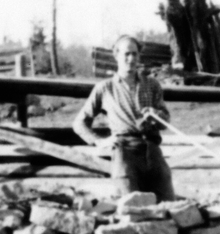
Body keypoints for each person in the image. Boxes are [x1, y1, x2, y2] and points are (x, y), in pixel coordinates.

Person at [72, 35, 175, 201]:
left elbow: (166, 121)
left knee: (169, 206)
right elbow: (79, 123)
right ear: (116, 55)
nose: (131, 58)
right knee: (131, 208)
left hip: (152, 150)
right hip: (125, 153)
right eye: (126, 54)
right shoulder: (105, 88)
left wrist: (156, 115)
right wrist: (99, 141)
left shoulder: (152, 84)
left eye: (135, 54)